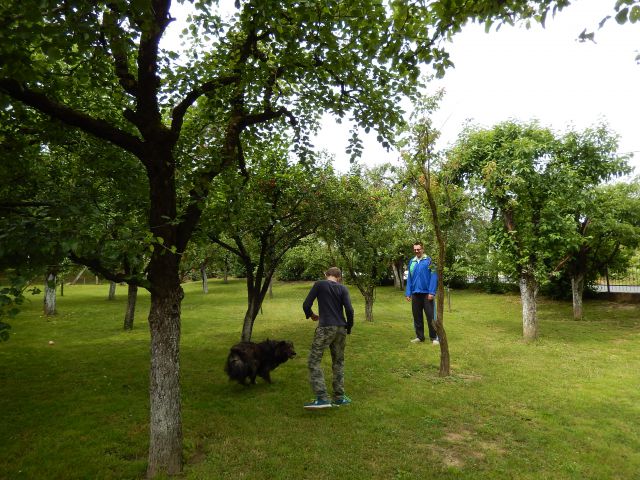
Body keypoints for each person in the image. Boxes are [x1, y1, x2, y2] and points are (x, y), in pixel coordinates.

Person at [302, 267, 354, 410]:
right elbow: (349, 310)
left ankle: (322, 397)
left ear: (327, 275)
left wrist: (311, 315)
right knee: (338, 362)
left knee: (314, 361)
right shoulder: (343, 288)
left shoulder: (319, 284)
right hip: (340, 329)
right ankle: (339, 397)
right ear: (339, 277)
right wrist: (348, 327)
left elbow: (306, 304)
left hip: (325, 328)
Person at [405, 242, 439, 345]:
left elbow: (434, 276)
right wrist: (408, 293)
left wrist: (432, 292)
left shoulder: (429, 261)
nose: (416, 251)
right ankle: (420, 337)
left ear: (422, 249)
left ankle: (434, 338)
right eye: (415, 249)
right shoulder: (412, 262)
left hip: (427, 294)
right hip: (415, 294)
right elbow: (409, 279)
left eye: (418, 249)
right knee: (417, 316)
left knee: (431, 316)